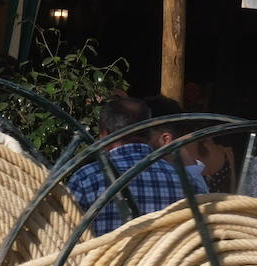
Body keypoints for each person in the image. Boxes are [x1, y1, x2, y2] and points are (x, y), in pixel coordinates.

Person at [67, 96, 191, 236]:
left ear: (105, 134)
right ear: (148, 131)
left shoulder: (85, 179)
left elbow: (66, 238)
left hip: (107, 257)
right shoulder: (185, 180)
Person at [143, 95, 209, 195]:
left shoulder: (181, 183)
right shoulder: (191, 174)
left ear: (165, 140)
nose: (138, 142)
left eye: (144, 136)